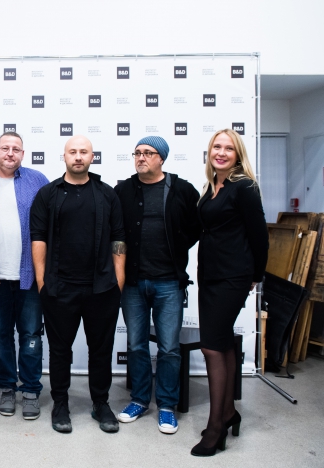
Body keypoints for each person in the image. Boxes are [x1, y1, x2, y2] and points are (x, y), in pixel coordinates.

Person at [30, 135, 126, 434]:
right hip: (59, 288)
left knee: (101, 349)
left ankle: (101, 403)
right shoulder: (48, 194)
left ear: (92, 157)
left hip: (102, 288)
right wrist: (42, 282)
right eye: (73, 152)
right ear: (65, 156)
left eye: (84, 152)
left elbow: (119, 239)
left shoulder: (107, 194)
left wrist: (118, 281)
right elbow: (38, 238)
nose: (78, 156)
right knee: (60, 351)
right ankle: (60, 403)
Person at [114, 136, 201, 434]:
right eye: (137, 153)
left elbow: (195, 228)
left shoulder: (182, 190)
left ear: (161, 158)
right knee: (136, 345)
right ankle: (139, 400)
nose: (141, 158)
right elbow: (116, 233)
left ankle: (166, 405)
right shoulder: (123, 190)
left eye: (148, 153)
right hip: (133, 284)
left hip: (169, 283)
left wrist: (176, 247)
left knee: (169, 348)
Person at [191, 129, 268, 456]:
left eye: (228, 148)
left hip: (233, 276)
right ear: (210, 152)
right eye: (216, 147)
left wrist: (256, 275)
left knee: (211, 347)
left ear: (238, 155)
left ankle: (216, 427)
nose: (221, 153)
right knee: (220, 344)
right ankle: (229, 413)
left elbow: (260, 234)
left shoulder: (244, 187)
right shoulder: (211, 186)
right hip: (209, 274)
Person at [0, 132, 49, 419]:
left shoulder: (37, 180)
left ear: (23, 153)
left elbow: (50, 224)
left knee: (31, 335)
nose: (10, 153)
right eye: (5, 148)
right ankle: (7, 387)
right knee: (1, 335)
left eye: (16, 149)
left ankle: (31, 389)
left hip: (29, 274)